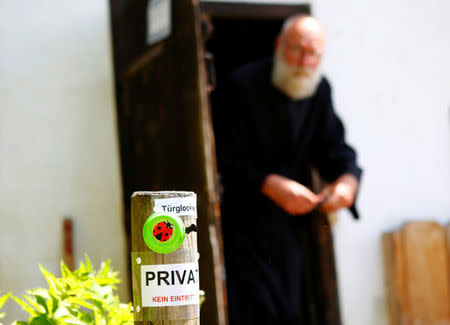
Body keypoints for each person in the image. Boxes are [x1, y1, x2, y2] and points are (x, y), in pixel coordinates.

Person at [213, 14, 363, 324]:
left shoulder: (319, 91)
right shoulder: (242, 85)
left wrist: (347, 182)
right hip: (242, 219)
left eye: (313, 54)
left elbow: (334, 147)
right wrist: (269, 183)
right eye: (298, 50)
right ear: (279, 45)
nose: (304, 61)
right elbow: (224, 158)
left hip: (288, 226)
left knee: (287, 310)